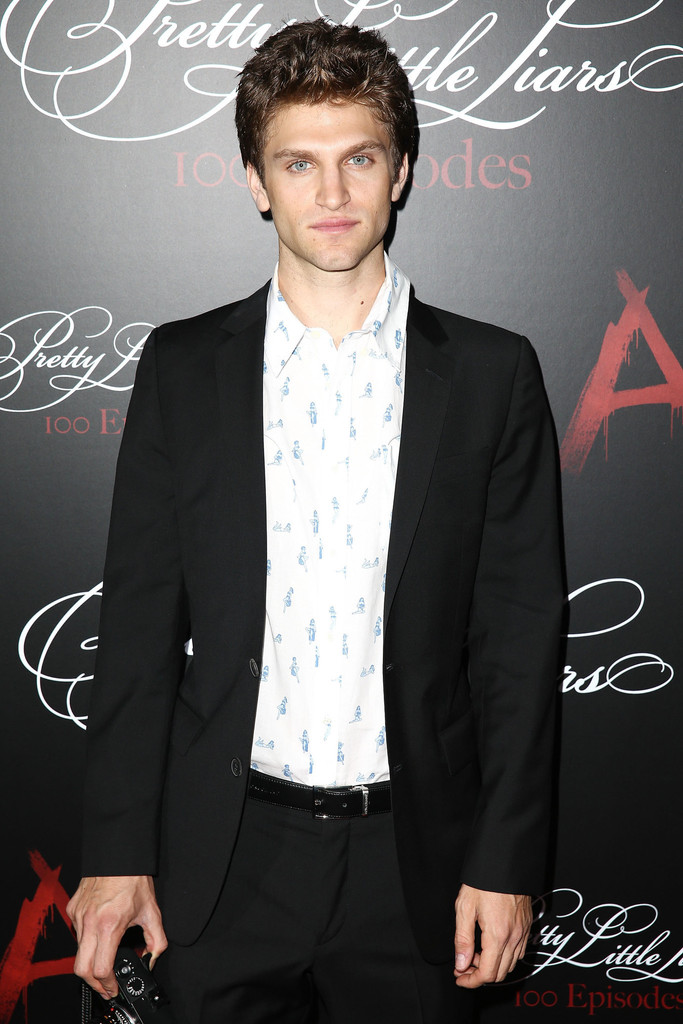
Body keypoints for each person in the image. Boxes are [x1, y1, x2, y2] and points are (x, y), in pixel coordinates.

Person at [67, 18, 563, 1024]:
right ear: (257, 182)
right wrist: (117, 852)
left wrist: (504, 862)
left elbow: (517, 646)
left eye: (358, 159)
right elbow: (139, 631)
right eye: (298, 163)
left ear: (402, 170)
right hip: (222, 855)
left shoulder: (491, 374)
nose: (330, 193)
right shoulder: (183, 369)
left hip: (416, 866)